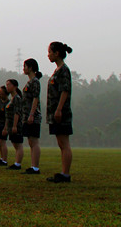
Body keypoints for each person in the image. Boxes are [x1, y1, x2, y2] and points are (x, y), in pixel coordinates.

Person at [46, 42, 73, 183]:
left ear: (57, 53)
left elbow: (65, 90)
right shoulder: (57, 70)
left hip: (61, 112)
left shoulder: (63, 70)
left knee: (64, 143)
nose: (48, 55)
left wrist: (59, 109)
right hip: (55, 112)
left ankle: (65, 174)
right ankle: (63, 172)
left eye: (50, 52)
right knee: (61, 143)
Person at [22, 58, 43, 175]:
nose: (23, 69)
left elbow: (35, 98)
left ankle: (35, 167)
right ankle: (33, 165)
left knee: (34, 141)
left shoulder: (35, 81)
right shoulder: (30, 82)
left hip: (33, 116)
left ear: (30, 68)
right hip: (27, 115)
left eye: (25, 66)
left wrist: (31, 114)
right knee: (31, 141)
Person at [3, 79, 24, 170]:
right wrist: (6, 127)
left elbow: (17, 112)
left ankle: (18, 164)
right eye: (6, 85)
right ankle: (16, 162)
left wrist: (15, 125)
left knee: (18, 144)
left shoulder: (17, 98)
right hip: (10, 124)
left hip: (16, 124)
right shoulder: (12, 99)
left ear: (15, 86)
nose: (7, 87)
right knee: (15, 143)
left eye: (9, 85)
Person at [0, 86, 10, 166]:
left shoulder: (8, 103)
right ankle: (2, 157)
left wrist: (6, 128)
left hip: (4, 124)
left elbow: (8, 117)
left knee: (2, 141)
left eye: (1, 92)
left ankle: (4, 160)